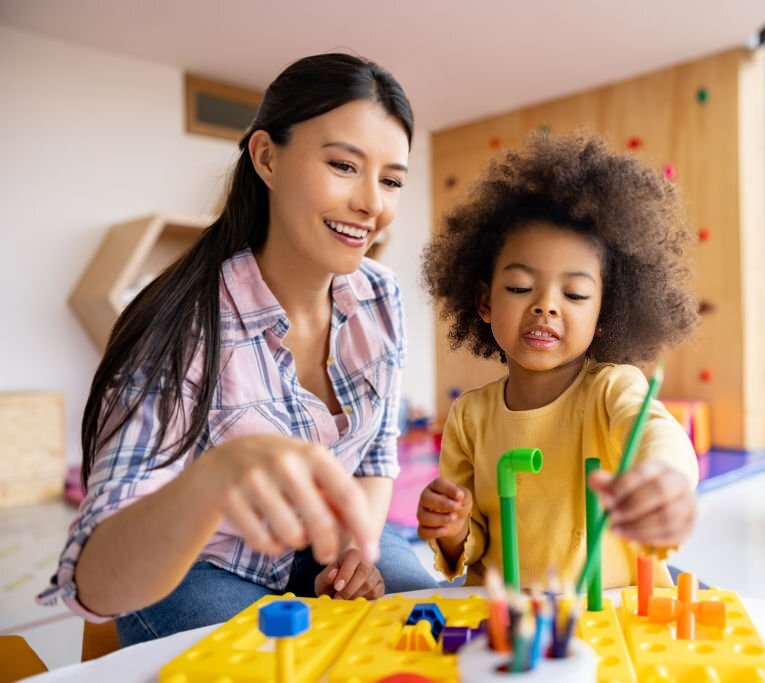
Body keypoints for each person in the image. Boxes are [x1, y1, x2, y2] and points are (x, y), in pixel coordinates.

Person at [38, 53, 438, 645]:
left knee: (433, 626)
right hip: (200, 567)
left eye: (392, 180)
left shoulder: (380, 297)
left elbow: (377, 458)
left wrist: (360, 544)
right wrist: (213, 480)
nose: (371, 203)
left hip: (323, 547)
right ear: (266, 158)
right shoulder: (179, 325)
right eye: (344, 165)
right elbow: (93, 583)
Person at [416, 132, 701, 590]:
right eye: (519, 287)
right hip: (506, 623)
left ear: (604, 315)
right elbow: (468, 545)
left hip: (608, 619)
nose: (546, 306)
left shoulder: (613, 390)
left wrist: (662, 477)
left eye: (575, 294)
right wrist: (450, 530)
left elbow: (657, 434)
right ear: (485, 301)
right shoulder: (469, 417)